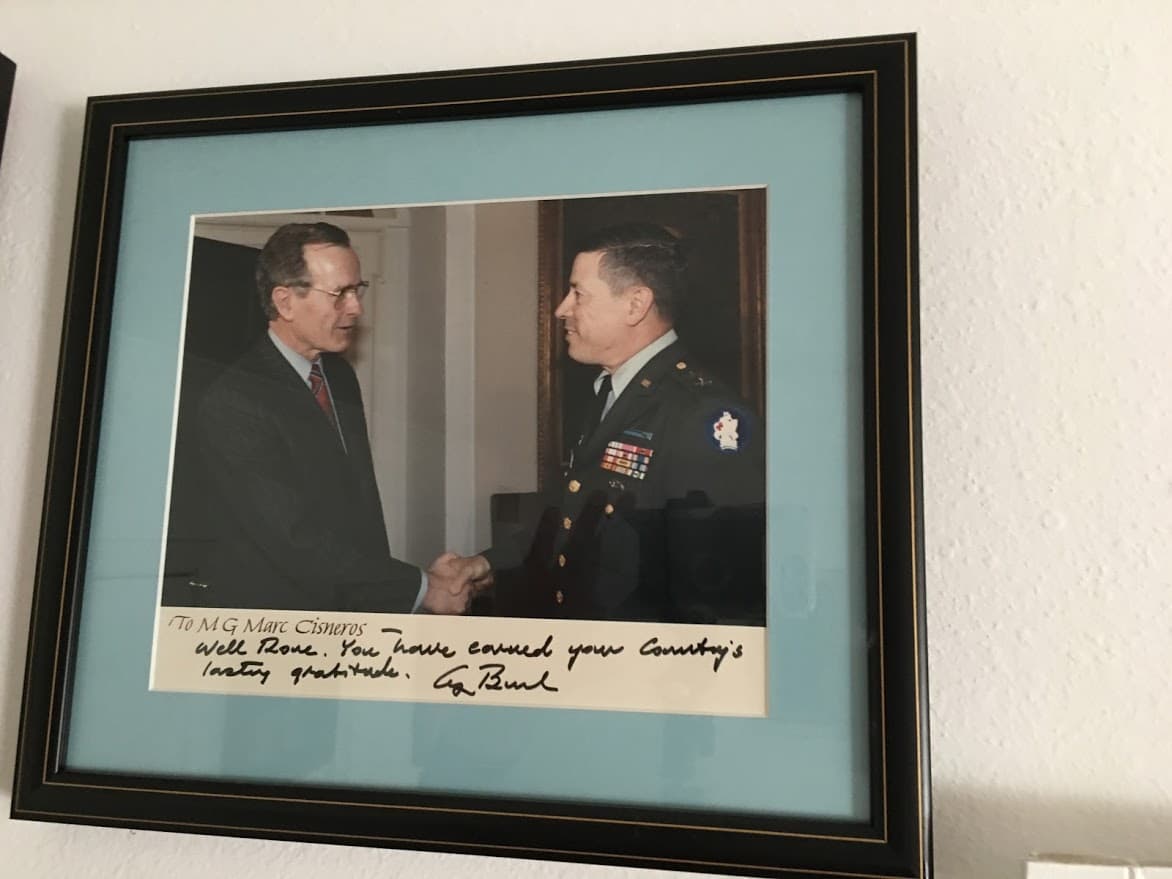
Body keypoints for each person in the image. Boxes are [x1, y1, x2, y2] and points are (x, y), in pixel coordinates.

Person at [467, 222, 767, 624]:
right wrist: (485, 565)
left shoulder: (703, 415)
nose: (561, 309)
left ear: (635, 304)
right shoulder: (610, 390)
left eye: (577, 293)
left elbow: (716, 594)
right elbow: (574, 512)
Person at [191, 222, 476, 613]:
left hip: (351, 613)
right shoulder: (234, 401)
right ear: (286, 301)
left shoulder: (338, 377)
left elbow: (358, 510)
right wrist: (422, 587)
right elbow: (293, 539)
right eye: (339, 293)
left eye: (357, 290)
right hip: (275, 626)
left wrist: (396, 589)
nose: (356, 307)